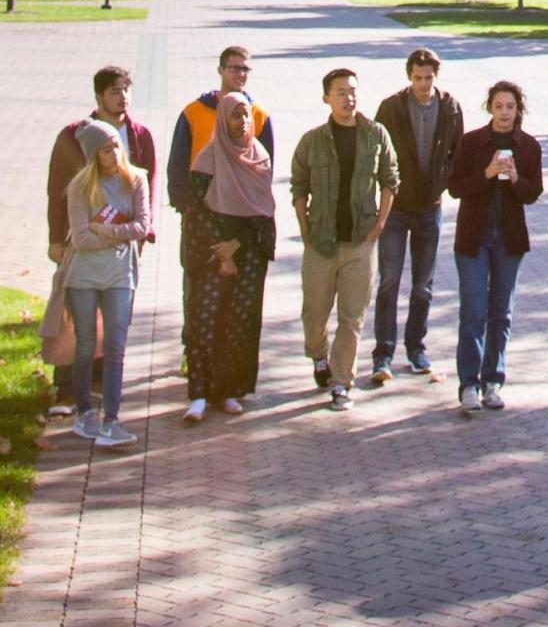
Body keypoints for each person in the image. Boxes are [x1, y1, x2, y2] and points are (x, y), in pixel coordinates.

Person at [41, 67, 157, 418]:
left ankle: (97, 386)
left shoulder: (139, 137)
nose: (122, 97)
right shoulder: (73, 136)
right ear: (98, 97)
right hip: (81, 240)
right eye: (113, 91)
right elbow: (57, 186)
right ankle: (65, 389)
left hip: (121, 248)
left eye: (126, 90)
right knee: (74, 314)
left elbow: (148, 186)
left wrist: (142, 236)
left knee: (112, 316)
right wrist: (55, 238)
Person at [292, 68, 398, 411]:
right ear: (327, 97)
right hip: (320, 242)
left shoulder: (376, 134)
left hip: (360, 241)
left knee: (352, 317)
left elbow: (390, 178)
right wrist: (304, 228)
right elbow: (299, 184)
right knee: (314, 315)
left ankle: (341, 382)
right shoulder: (313, 140)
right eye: (340, 92)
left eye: (352, 90)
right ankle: (318, 355)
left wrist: (380, 223)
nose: (348, 97)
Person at [167, 46, 274, 363]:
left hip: (242, 225)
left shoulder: (259, 116)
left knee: (238, 297)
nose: (239, 74)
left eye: (244, 69)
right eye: (233, 67)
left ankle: (227, 364)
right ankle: (194, 351)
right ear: (220, 70)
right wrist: (190, 211)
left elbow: (264, 173)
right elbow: (178, 167)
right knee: (198, 287)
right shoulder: (194, 112)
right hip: (202, 219)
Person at [180, 92, 277, 423]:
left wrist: (235, 248)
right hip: (209, 252)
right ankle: (199, 394)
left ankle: (228, 391)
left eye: (247, 116)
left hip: (248, 253)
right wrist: (221, 251)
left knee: (238, 323)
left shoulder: (259, 159)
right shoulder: (206, 161)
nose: (242, 123)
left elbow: (263, 214)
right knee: (204, 322)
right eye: (235, 116)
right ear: (223, 120)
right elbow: (195, 211)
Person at [446, 81, 543, 413]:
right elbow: (455, 187)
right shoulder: (472, 142)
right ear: (490, 108)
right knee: (473, 311)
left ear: (519, 110)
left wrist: (516, 179)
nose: (505, 113)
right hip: (474, 237)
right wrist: (486, 173)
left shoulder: (528, 147)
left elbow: (533, 194)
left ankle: (493, 380)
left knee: (501, 313)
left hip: (509, 239)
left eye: (511, 107)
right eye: (499, 106)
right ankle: (468, 383)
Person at [369, 48, 464, 383]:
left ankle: (416, 348)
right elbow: (375, 152)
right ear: (409, 76)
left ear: (436, 76)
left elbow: (458, 151)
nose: (423, 84)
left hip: (429, 207)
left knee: (423, 285)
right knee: (389, 282)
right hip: (396, 208)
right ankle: (383, 354)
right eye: (417, 78)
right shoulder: (392, 107)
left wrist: (444, 182)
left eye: (429, 78)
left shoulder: (450, 106)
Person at [63, 120, 152, 448]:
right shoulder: (79, 187)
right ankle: (85, 412)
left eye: (117, 145)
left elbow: (142, 226)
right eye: (105, 149)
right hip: (83, 276)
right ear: (92, 156)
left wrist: (105, 231)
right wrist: (111, 233)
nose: (115, 154)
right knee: (86, 344)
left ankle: (112, 419)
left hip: (119, 274)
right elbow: (80, 239)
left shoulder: (137, 180)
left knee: (116, 345)